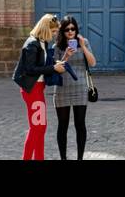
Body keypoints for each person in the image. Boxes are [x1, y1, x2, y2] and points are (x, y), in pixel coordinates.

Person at [11, 13, 68, 160]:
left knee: (40, 128)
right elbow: (30, 69)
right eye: (54, 31)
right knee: (37, 128)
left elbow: (43, 64)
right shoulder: (32, 44)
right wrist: (53, 69)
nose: (55, 34)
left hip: (38, 89)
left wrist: (55, 64)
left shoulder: (42, 42)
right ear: (46, 29)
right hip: (32, 90)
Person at [52, 15, 95, 160]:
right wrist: (66, 56)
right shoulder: (57, 46)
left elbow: (93, 62)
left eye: (73, 29)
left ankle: (80, 158)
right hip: (62, 89)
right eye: (67, 29)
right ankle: (63, 158)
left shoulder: (84, 42)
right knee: (62, 126)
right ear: (62, 32)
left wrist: (82, 46)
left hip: (80, 88)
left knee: (80, 124)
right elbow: (57, 68)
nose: (70, 32)